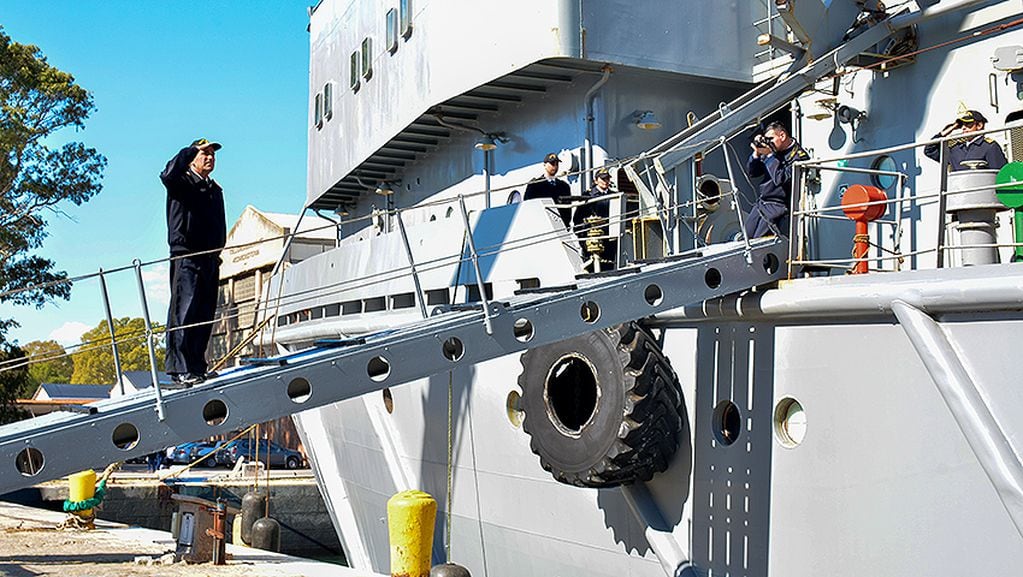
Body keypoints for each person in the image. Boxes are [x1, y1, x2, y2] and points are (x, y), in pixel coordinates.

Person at [160, 138, 227, 387]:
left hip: (210, 258)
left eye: (212, 154)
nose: (209, 157)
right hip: (187, 256)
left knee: (204, 313)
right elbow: (167, 174)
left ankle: (198, 366)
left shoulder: (214, 189)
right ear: (192, 158)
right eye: (204, 153)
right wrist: (189, 151)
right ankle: (180, 368)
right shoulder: (181, 183)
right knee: (183, 312)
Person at [745, 121, 809, 238]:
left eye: (771, 139)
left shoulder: (798, 157)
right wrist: (756, 154)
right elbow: (752, 172)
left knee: (759, 243)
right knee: (746, 237)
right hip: (762, 203)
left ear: (782, 136)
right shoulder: (773, 151)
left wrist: (770, 156)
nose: (769, 143)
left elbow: (780, 178)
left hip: (778, 206)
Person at [923, 109, 1007, 172]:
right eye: (962, 125)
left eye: (968, 124)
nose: (963, 128)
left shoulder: (989, 146)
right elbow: (929, 150)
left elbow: (1000, 173)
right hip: (959, 192)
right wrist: (949, 130)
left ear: (979, 125)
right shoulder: (955, 149)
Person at [573, 167, 616, 267]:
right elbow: (577, 219)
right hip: (592, 240)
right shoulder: (588, 195)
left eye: (607, 179)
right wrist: (583, 240)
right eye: (603, 179)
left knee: (609, 266)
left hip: (609, 240)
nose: (606, 181)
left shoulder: (614, 195)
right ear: (596, 180)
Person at [524, 152, 572, 226]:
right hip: (541, 225)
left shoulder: (564, 186)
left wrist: (566, 224)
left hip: (561, 225)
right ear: (544, 165)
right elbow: (529, 206)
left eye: (557, 164)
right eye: (552, 164)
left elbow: (568, 210)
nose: (555, 167)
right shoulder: (535, 184)